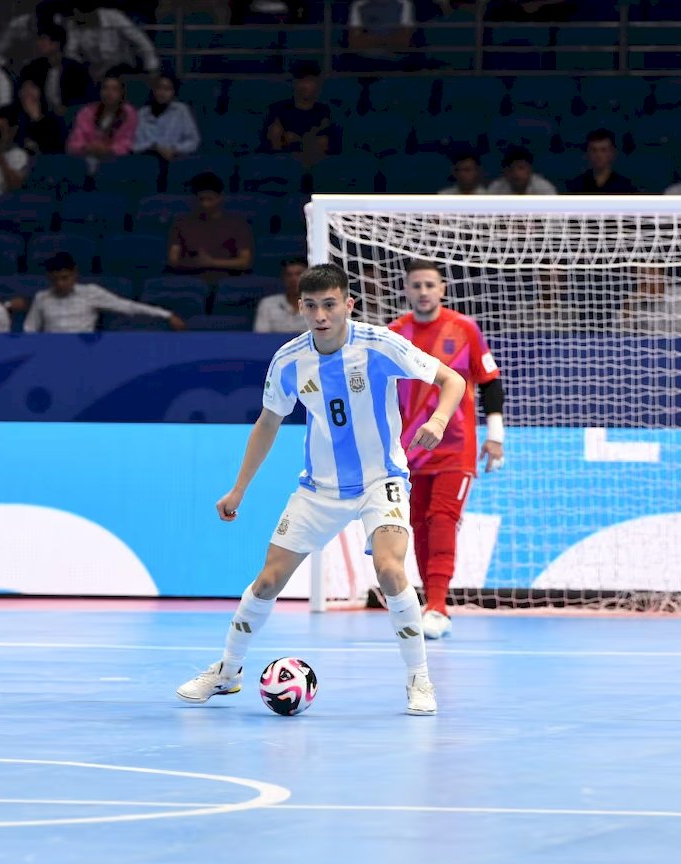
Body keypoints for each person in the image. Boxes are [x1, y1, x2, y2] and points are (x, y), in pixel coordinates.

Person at [175, 264, 465, 715]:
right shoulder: (289, 360)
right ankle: (227, 673)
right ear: (301, 308)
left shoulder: (379, 345)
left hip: (380, 481)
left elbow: (454, 380)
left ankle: (419, 680)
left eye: (330, 304)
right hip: (319, 489)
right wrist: (239, 489)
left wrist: (438, 419)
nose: (321, 314)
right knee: (268, 579)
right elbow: (267, 423)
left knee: (391, 571)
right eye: (311, 306)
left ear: (348, 304)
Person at [387, 261, 503, 640]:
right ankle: (427, 603)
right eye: (416, 285)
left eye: (430, 285)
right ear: (406, 290)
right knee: (418, 525)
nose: (423, 291)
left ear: (443, 289)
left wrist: (495, 435)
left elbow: (490, 383)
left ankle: (438, 606)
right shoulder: (394, 334)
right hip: (409, 451)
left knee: (441, 519)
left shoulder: (465, 328)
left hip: (456, 449)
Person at [23, 252, 186, 332]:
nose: (60, 284)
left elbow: (127, 307)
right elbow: (30, 330)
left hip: (84, 353)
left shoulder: (91, 292)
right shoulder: (41, 298)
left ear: (74, 274)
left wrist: (166, 314)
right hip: (52, 355)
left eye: (65, 278)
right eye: (55, 280)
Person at [67, 74, 138, 166]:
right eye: (105, 88)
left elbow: (128, 142)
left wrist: (109, 149)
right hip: (85, 159)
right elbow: (74, 141)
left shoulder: (129, 113)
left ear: (122, 93)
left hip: (116, 162)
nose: (109, 93)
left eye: (114, 89)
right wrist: (88, 147)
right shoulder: (86, 112)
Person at [133, 73, 201, 161]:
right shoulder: (142, 114)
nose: (162, 93)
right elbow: (133, 144)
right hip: (147, 161)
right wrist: (153, 147)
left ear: (173, 92)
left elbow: (193, 141)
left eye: (167, 89)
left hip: (175, 161)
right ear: (154, 91)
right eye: (159, 88)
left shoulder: (181, 110)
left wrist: (174, 149)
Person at [564, 129, 636, 194]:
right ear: (587, 153)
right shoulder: (576, 185)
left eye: (603, 150)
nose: (598, 155)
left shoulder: (625, 187)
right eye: (594, 150)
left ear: (612, 153)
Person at [253, 256, 307, 332]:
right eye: (289, 275)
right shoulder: (267, 304)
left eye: (298, 274)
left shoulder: (317, 304)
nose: (293, 279)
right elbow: (260, 338)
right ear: (283, 278)